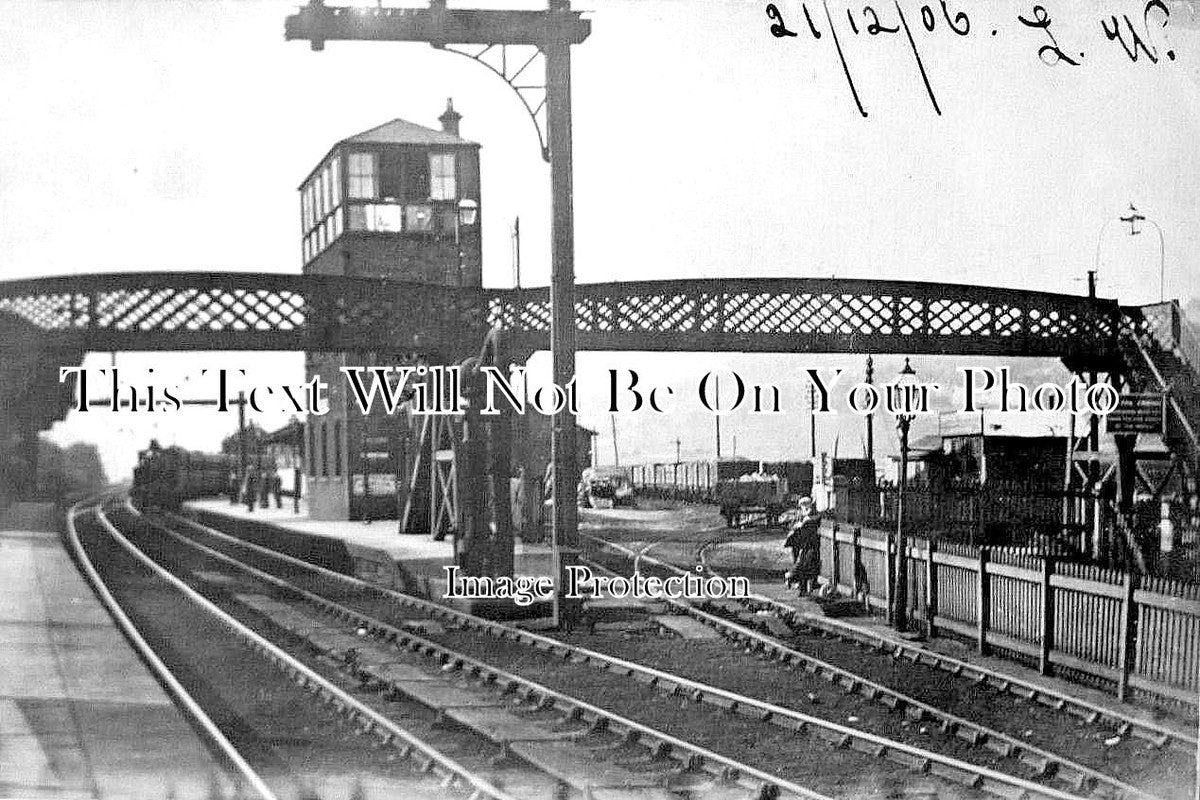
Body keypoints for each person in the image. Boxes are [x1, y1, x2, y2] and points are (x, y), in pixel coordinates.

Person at [783, 496, 821, 593]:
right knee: (801, 562)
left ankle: (797, 581)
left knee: (804, 563)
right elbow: (795, 526)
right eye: (803, 505)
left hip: (807, 543)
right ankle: (797, 582)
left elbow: (807, 522)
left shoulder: (809, 516)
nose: (805, 507)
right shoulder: (802, 515)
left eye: (806, 505)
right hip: (800, 542)